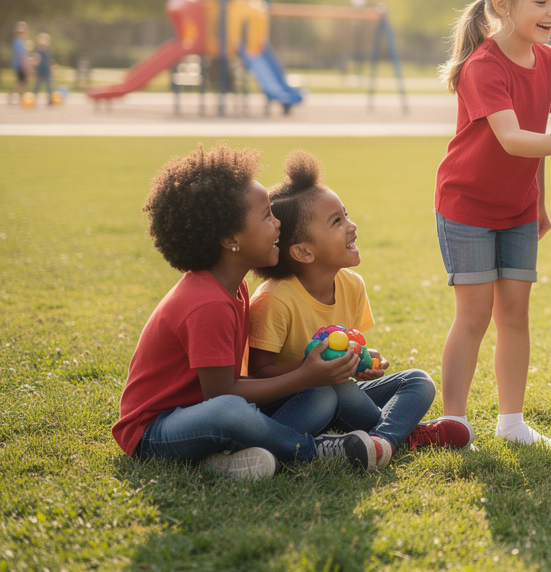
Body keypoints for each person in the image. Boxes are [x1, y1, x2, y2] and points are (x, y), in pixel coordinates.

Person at [113, 145, 384, 481]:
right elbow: (222, 395)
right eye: (267, 216)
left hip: (210, 412)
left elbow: (237, 384)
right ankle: (313, 450)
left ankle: (229, 458)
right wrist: (302, 376)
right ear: (231, 239)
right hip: (156, 431)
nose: (279, 225)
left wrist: (310, 374)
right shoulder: (207, 301)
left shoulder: (235, 288)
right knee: (232, 411)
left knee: (319, 395)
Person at [434, 0, 551, 446]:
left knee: (515, 316)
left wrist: (539, 201)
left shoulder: (547, 60)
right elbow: (511, 137)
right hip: (467, 205)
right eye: (540, 2)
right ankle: (454, 421)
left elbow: (534, 138)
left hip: (519, 208)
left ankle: (511, 423)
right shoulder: (483, 65)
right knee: (474, 315)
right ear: (502, 5)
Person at [249, 151, 473, 465]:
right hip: (297, 403)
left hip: (339, 390)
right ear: (303, 251)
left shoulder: (352, 284)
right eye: (336, 222)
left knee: (418, 381)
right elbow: (257, 376)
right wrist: (311, 373)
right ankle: (405, 436)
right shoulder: (275, 299)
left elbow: (349, 354)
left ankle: (382, 440)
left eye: (346, 215)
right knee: (326, 391)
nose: (352, 226)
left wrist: (360, 362)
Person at [9, 22, 28, 104]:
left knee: (21, 82)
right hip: (20, 65)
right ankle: (15, 95)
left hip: (18, 64)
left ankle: (19, 97)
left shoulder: (18, 41)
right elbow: (20, 55)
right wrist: (24, 65)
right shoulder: (19, 41)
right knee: (22, 82)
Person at [32, 32, 54, 103]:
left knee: (49, 86)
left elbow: (48, 61)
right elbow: (36, 60)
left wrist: (52, 66)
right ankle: (34, 98)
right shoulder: (38, 51)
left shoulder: (47, 51)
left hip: (47, 71)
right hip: (40, 71)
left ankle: (50, 99)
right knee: (37, 86)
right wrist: (34, 64)